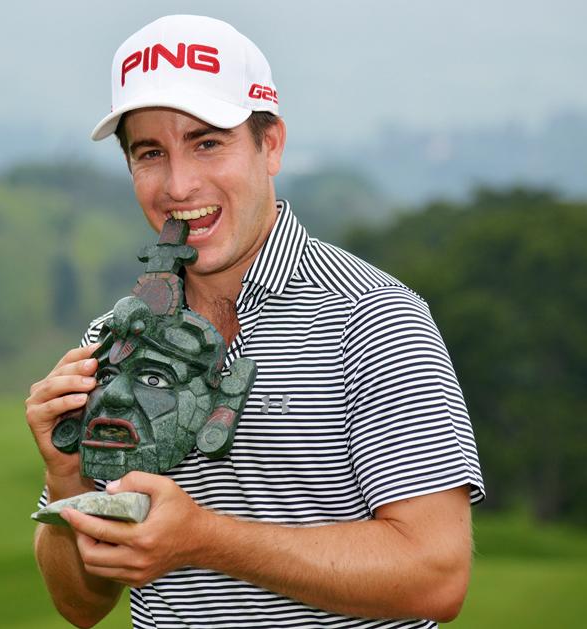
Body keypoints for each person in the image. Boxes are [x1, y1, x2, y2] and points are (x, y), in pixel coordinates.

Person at [25, 14, 484, 629]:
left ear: (271, 145)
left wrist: (207, 539)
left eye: (208, 142)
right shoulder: (113, 339)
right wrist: (66, 478)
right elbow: (80, 605)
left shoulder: (374, 315)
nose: (180, 184)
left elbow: (435, 575)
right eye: (150, 153)